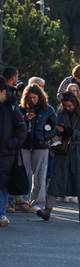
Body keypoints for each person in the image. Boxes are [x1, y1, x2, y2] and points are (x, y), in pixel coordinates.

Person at [37, 91, 80, 224]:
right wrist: (57, 131)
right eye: (66, 105)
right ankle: (47, 211)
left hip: (79, 151)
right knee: (56, 179)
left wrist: (73, 133)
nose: (68, 108)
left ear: (74, 102)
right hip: (63, 150)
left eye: (70, 105)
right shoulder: (61, 112)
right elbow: (57, 129)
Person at [19, 84, 56, 210]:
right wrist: (25, 118)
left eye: (34, 97)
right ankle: (23, 201)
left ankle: (37, 203)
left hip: (41, 145)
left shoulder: (48, 109)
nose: (32, 100)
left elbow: (54, 127)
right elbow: (16, 125)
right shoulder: (21, 108)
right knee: (24, 174)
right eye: (30, 98)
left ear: (40, 97)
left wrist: (45, 136)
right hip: (24, 145)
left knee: (40, 175)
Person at [0, 76, 27, 227]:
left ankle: (1, 215)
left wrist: (12, 143)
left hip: (6, 153)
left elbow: (22, 129)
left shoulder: (11, 107)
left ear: (3, 92)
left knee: (2, 184)